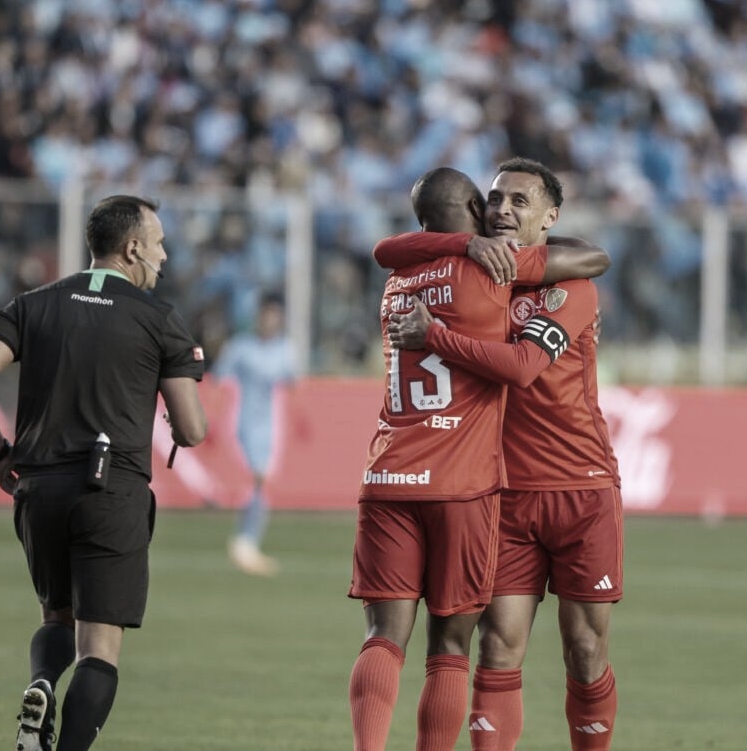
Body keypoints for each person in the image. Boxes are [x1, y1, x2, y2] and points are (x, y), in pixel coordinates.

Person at [348, 166, 608, 751]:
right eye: (490, 201)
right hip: (468, 485)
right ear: (471, 208)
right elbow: (594, 258)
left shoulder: (398, 280)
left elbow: (385, 247)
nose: (500, 212)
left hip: (394, 471)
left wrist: (454, 255)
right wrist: (471, 248)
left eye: (518, 200)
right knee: (459, 648)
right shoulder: (492, 271)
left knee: (382, 638)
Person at [0, 195, 208, 751]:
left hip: (38, 488)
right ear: (133, 247)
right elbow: (191, 431)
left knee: (56, 618)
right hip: (109, 490)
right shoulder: (158, 319)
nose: (164, 256)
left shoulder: (32, 303)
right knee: (99, 647)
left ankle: (42, 683)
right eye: (159, 243)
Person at [212, 289, 297, 576]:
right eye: (266, 314)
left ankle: (246, 541)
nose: (269, 320)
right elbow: (220, 383)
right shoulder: (240, 347)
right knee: (255, 479)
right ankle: (246, 542)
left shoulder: (285, 349)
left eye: (275, 315)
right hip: (241, 422)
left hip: (270, 426)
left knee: (261, 483)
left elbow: (293, 384)